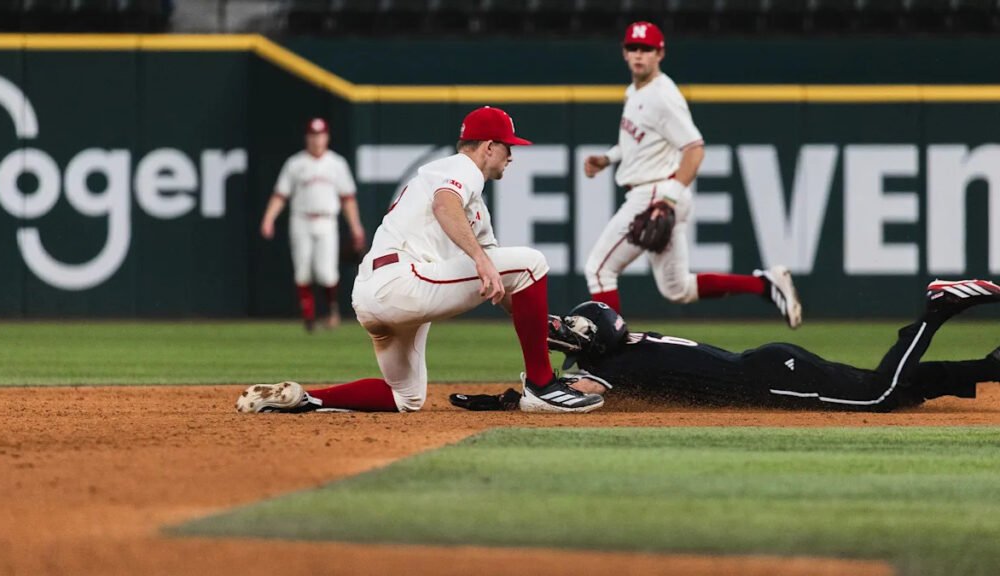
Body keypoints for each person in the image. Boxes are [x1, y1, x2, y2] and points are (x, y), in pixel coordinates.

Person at [237, 106, 604, 415]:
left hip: (373, 295)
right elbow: (446, 205)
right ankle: (542, 387)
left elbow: (503, 282)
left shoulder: (473, 206)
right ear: (488, 147)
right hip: (404, 280)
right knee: (532, 262)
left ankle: (307, 399)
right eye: (509, 146)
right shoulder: (462, 168)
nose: (512, 155)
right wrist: (479, 258)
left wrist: (545, 324)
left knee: (406, 397)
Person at [451, 278, 1000, 413]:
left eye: (576, 332)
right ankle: (990, 368)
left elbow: (563, 396)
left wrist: (504, 399)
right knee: (897, 394)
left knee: (878, 395)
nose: (568, 335)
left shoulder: (609, 367)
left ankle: (937, 310)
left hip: (771, 377)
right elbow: (573, 371)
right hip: (769, 363)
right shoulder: (621, 350)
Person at [583, 21, 802, 328]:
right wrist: (607, 158)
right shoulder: (635, 91)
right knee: (678, 289)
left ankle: (609, 355)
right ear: (624, 52)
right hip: (657, 191)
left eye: (646, 49)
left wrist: (668, 200)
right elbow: (637, 142)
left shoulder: (663, 96)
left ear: (660, 53)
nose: (639, 55)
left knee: (598, 270)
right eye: (633, 47)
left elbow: (694, 149)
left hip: (656, 193)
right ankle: (765, 284)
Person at [260, 118, 366, 332]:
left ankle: (331, 311)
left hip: (327, 220)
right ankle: (308, 319)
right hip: (301, 220)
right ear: (307, 137)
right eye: (313, 135)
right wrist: (269, 218)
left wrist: (355, 225)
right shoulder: (295, 164)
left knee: (326, 272)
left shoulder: (337, 164)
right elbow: (281, 195)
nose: (317, 139)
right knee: (302, 272)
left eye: (320, 135)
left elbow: (348, 198)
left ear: (326, 137)